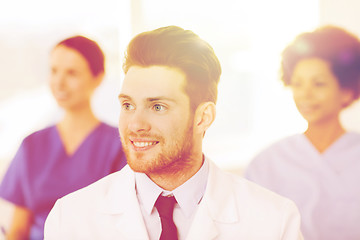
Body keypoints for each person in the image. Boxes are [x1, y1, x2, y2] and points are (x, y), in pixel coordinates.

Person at [44, 26, 303, 240]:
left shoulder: (274, 222)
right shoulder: (70, 219)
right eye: (128, 105)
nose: (135, 124)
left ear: (203, 117)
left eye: (157, 107)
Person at [0, 36, 127, 240]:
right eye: (54, 71)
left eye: (72, 73)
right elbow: (18, 230)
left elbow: (125, 224)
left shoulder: (118, 146)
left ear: (98, 77)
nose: (59, 82)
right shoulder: (32, 146)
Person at [245, 25, 360, 240]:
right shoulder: (266, 163)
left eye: (319, 84)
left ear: (347, 91)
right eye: (297, 84)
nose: (305, 95)